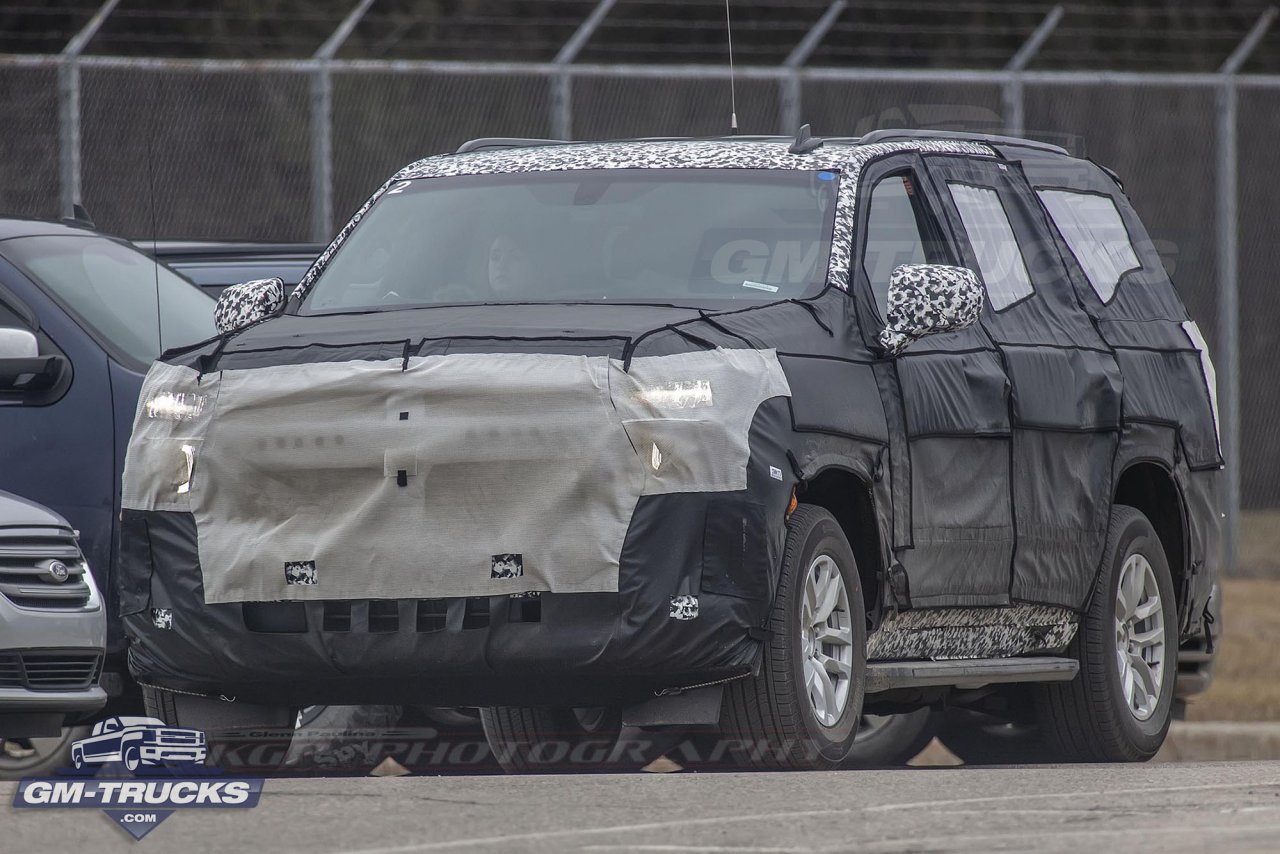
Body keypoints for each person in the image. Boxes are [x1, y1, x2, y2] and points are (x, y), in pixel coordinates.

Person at [488, 230, 549, 299]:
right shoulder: (475, 306)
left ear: (534, 269)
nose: (501, 266)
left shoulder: (553, 308)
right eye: (495, 257)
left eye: (513, 257)